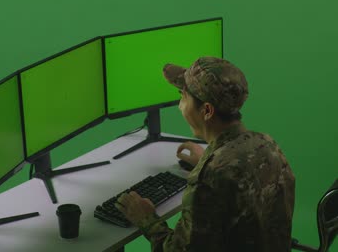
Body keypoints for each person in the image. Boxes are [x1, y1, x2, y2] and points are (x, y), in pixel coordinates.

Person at [115, 57, 296, 252]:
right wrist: (208, 158)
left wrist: (147, 219)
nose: (179, 105)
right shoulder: (267, 144)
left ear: (207, 110)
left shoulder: (211, 178)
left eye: (183, 96)